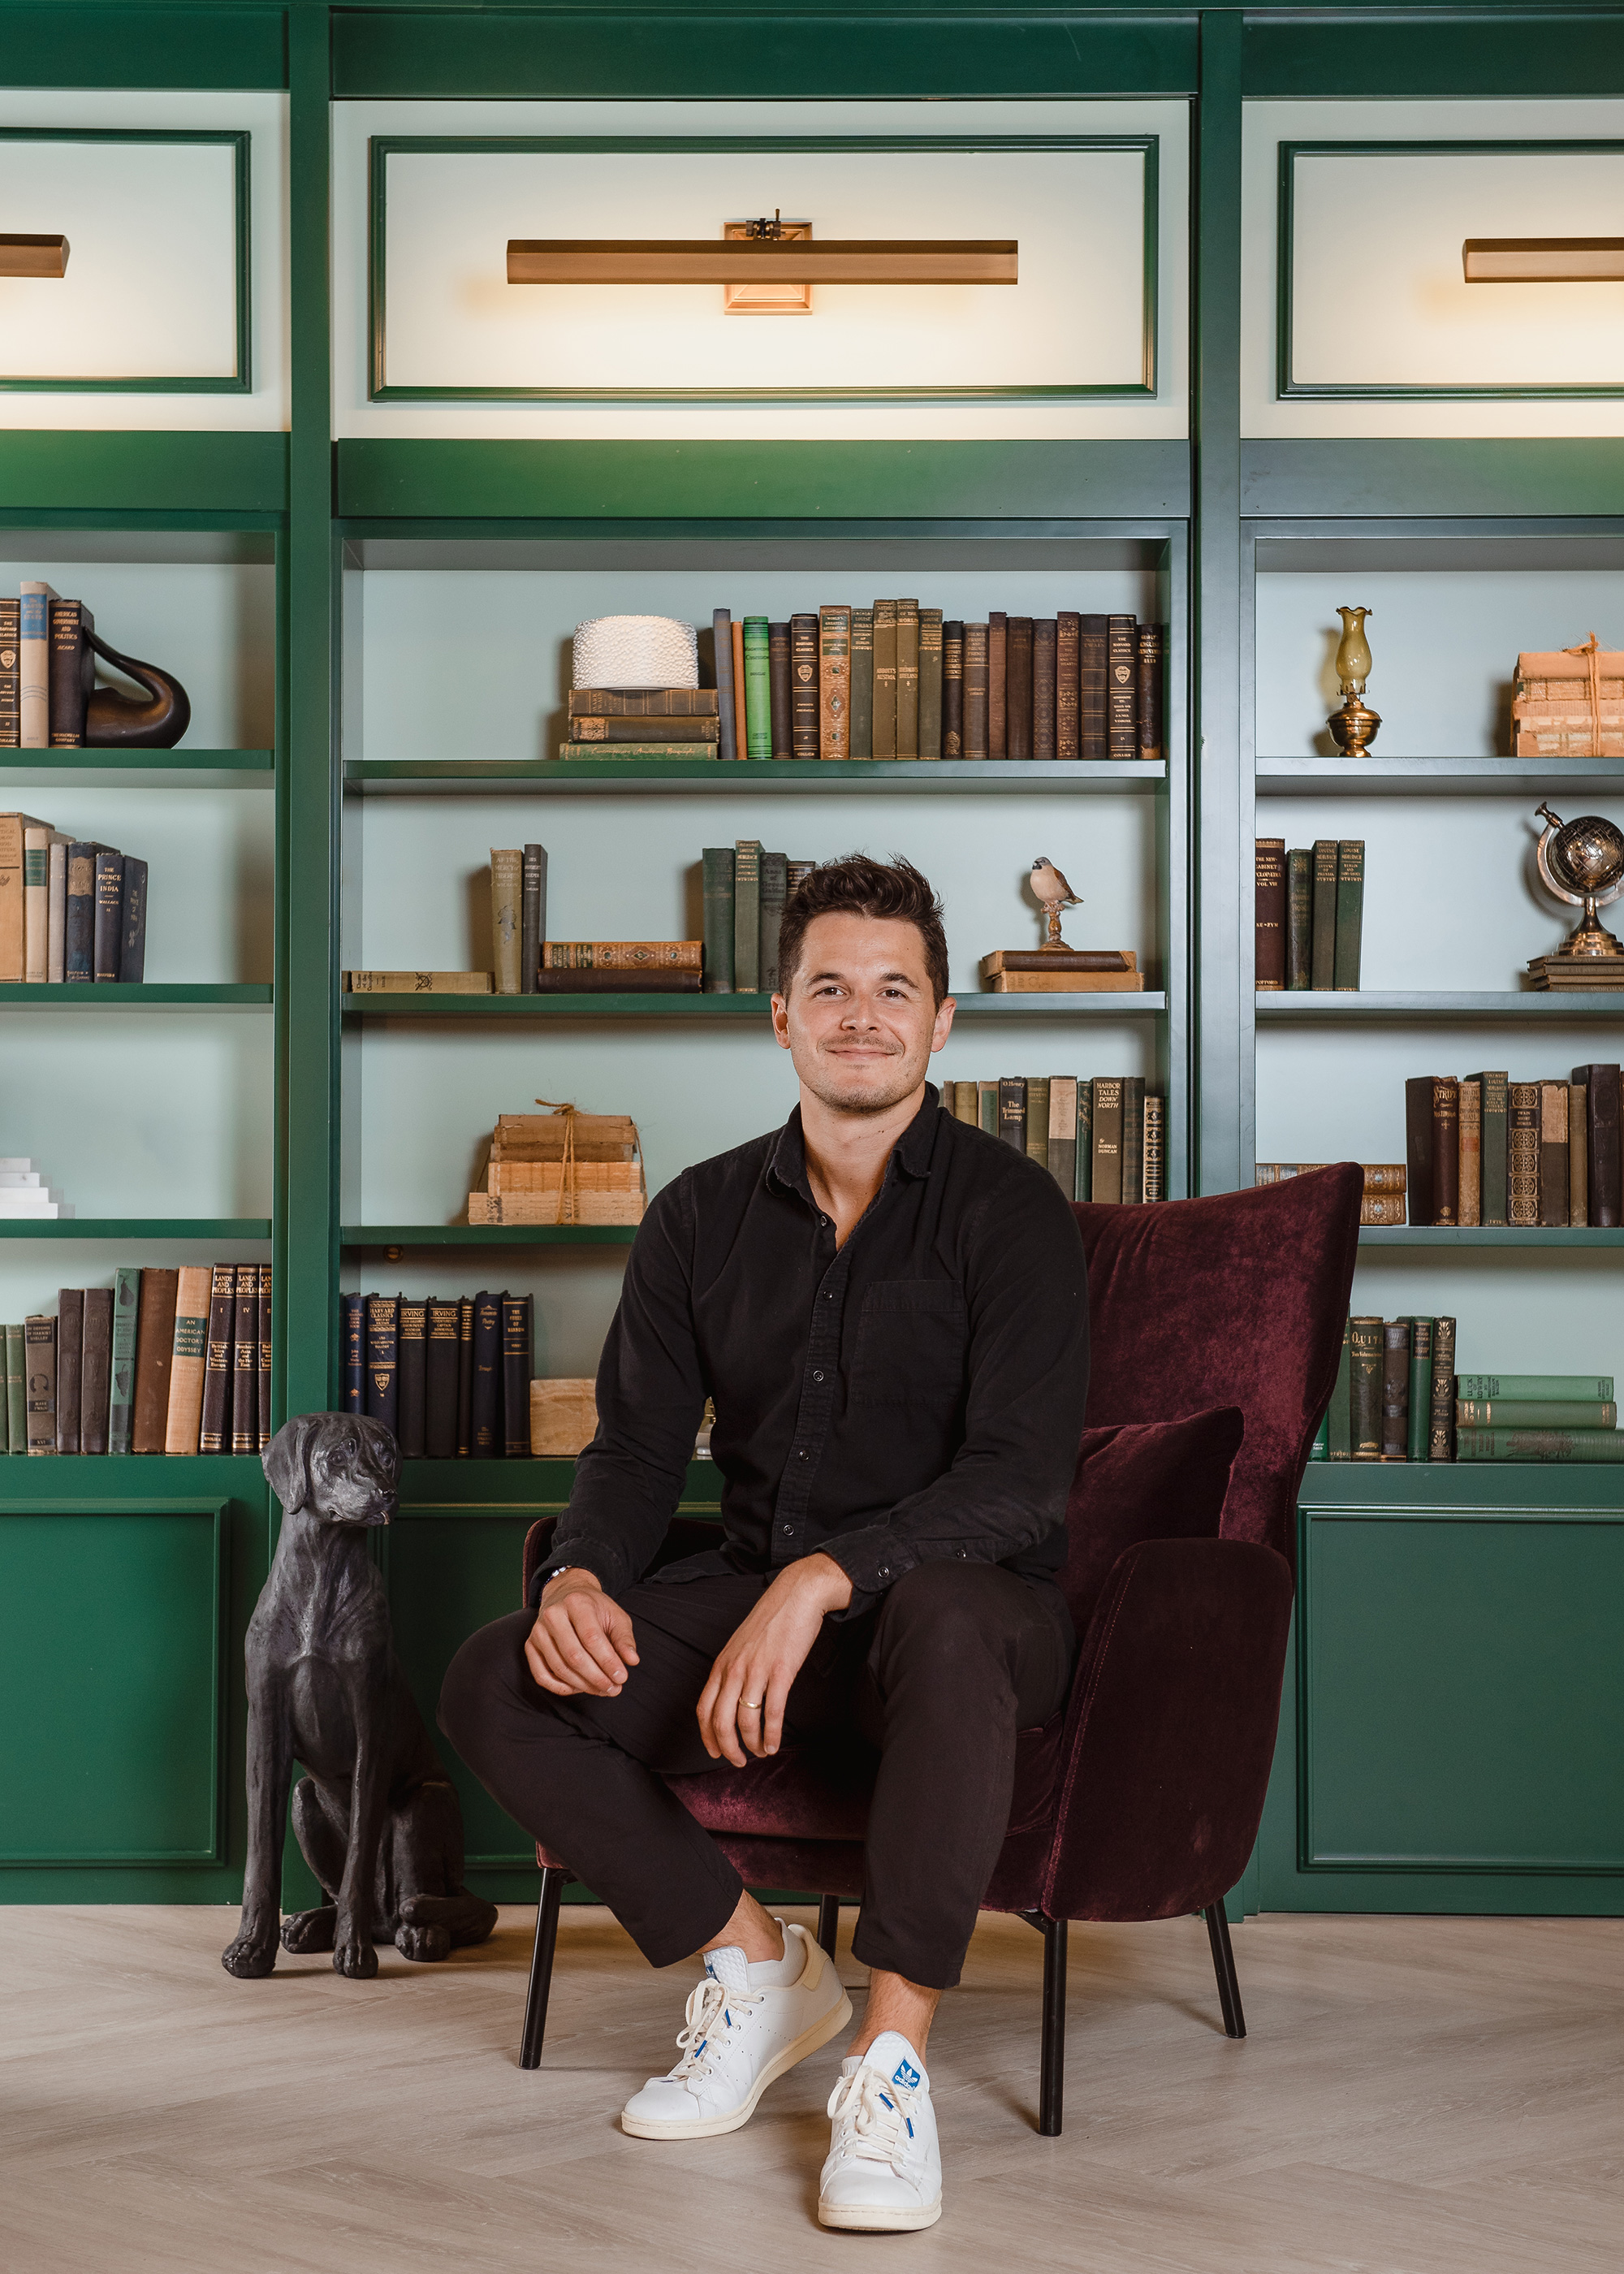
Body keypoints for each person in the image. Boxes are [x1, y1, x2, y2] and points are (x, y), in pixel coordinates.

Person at [440, 853, 1089, 2233]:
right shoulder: (697, 1215)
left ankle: (892, 2058)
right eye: (831, 988)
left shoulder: (1011, 1210)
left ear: (943, 1022)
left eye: (894, 989)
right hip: (755, 1611)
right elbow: (630, 1450)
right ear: (779, 1016)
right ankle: (757, 1969)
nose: (863, 1015)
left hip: (967, 1626)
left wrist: (823, 1575)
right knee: (499, 1677)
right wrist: (578, 1576)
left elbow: (1023, 1482)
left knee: (956, 1615)